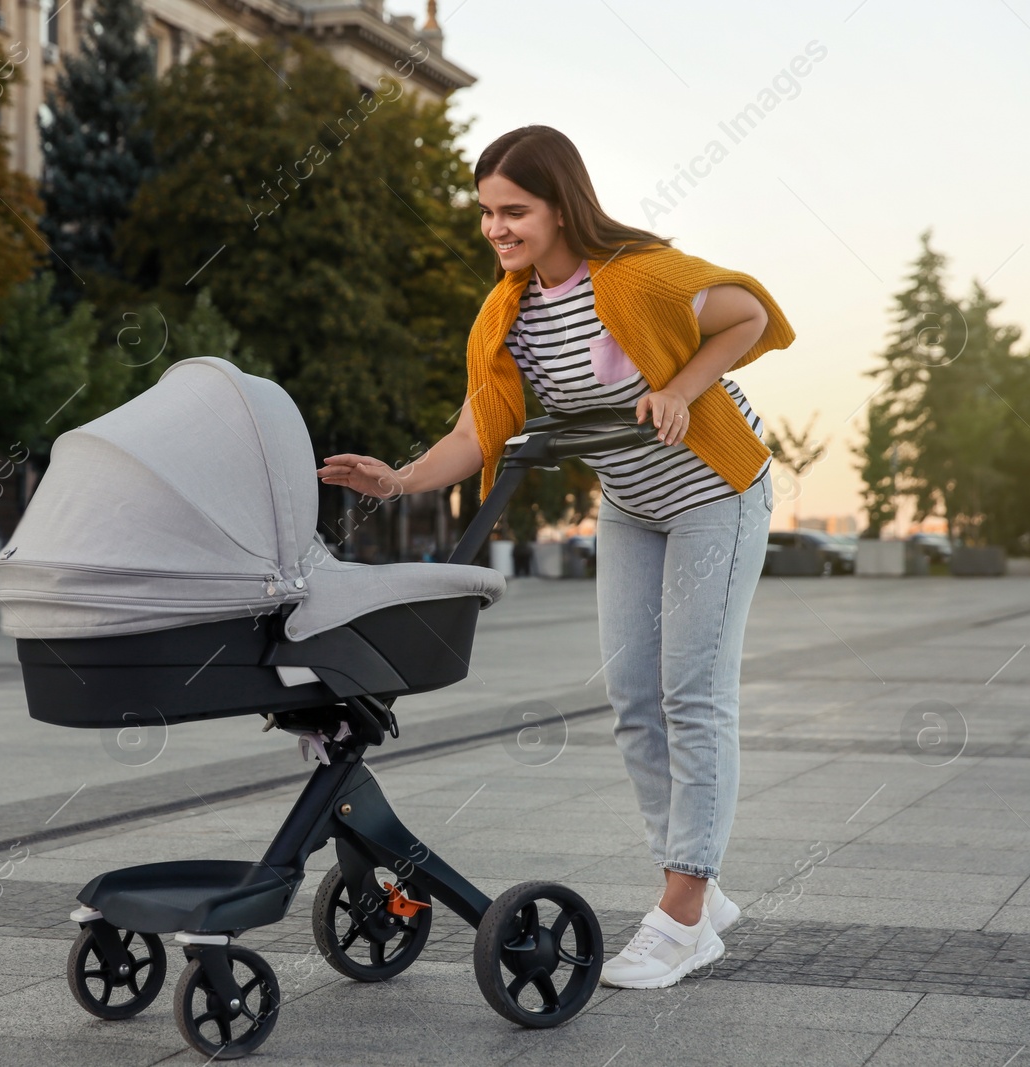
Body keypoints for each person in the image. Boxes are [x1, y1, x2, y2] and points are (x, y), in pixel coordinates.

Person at [316, 125, 796, 990]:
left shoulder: (638, 276)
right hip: (632, 503)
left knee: (692, 692)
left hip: (717, 490)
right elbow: (480, 427)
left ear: (561, 204)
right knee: (631, 697)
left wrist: (680, 388)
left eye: (515, 211)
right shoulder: (509, 308)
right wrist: (396, 481)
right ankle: (696, 881)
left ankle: (683, 915)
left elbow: (751, 315)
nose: (497, 229)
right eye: (487, 214)